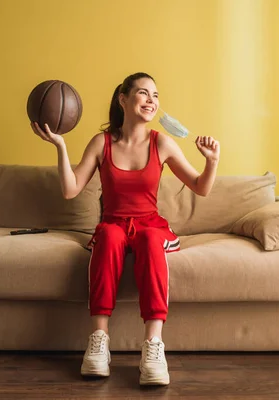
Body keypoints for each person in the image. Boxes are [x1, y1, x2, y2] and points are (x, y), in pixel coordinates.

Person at [32, 72, 220, 386]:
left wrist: (212, 161)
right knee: (107, 235)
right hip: (114, 224)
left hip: (151, 226)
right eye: (144, 93)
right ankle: (99, 342)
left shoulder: (162, 142)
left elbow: (201, 187)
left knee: (148, 238)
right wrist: (61, 147)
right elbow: (69, 189)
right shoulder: (102, 142)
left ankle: (153, 348)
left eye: (156, 96)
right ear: (123, 99)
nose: (151, 101)